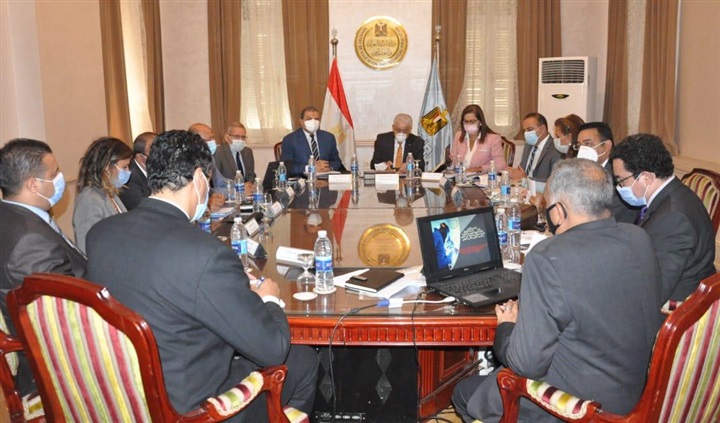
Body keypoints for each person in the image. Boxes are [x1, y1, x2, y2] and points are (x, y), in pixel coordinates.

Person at [85, 130, 317, 421]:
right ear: (198, 178)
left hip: (120, 395)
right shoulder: (205, 253)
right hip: (188, 408)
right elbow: (272, 350)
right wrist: (270, 300)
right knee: (303, 359)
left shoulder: (101, 234)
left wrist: (226, 286)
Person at [453, 158, 664, 423]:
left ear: (558, 212)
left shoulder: (547, 257)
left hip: (581, 407)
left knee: (465, 393)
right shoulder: (638, 237)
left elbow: (525, 364)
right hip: (639, 391)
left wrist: (506, 327)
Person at [0, 138, 87, 396]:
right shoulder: (30, 240)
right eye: (54, 173)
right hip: (53, 367)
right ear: (33, 184)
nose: (61, 179)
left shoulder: (15, 216)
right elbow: (63, 318)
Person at [611, 133, 716, 303]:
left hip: (678, 306)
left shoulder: (673, 218)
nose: (620, 187)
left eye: (621, 181)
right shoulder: (671, 193)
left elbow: (655, 291)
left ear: (646, 177)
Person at [73, 137, 132, 253]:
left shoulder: (110, 192)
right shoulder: (89, 199)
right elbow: (87, 245)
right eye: (124, 167)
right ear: (107, 167)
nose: (128, 171)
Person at [576, 122, 638, 223]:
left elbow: (607, 215)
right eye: (579, 145)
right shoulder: (583, 172)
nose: (582, 150)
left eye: (587, 144)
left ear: (606, 145)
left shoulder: (619, 175)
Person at [281, 106, 342, 177]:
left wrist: (328, 167)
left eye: (316, 119)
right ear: (301, 122)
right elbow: (287, 167)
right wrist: (310, 168)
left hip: (326, 178)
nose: (313, 122)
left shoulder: (328, 137)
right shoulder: (290, 140)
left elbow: (336, 161)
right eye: (309, 119)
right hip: (303, 179)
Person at [507, 112, 562, 188]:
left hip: (540, 192)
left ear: (542, 129)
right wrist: (513, 173)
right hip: (522, 188)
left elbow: (554, 183)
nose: (526, 134)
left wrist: (525, 179)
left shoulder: (555, 150)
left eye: (529, 129)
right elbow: (521, 170)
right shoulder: (528, 144)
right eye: (524, 130)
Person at [449, 104, 507, 174]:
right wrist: (448, 161)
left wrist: (478, 169)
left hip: (481, 177)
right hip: (460, 176)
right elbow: (453, 159)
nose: (469, 124)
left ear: (480, 122)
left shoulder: (493, 139)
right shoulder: (459, 135)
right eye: (466, 121)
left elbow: (500, 165)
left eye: (472, 121)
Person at [119, 131, 155, 210]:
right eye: (155, 155)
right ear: (141, 158)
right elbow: (143, 208)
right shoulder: (129, 177)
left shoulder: (158, 171)